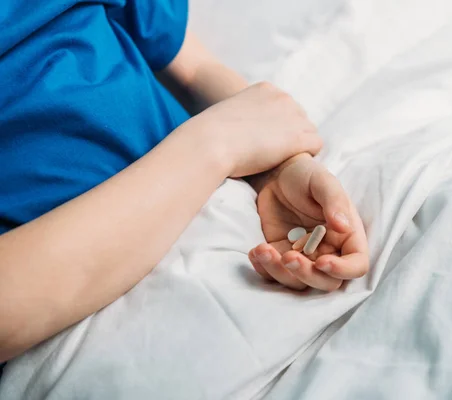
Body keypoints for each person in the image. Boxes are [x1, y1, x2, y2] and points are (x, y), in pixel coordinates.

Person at [0, 0, 369, 366]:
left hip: (225, 200)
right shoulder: (213, 146)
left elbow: (194, 68)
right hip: (69, 317)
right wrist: (216, 145)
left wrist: (275, 164)